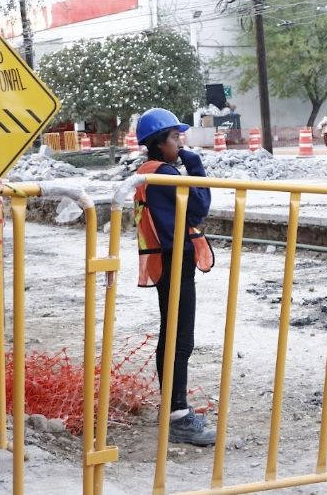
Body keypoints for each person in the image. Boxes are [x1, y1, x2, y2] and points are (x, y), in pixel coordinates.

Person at [133, 107, 216, 446]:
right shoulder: (165, 175)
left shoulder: (149, 172)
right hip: (173, 260)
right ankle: (178, 415)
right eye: (174, 137)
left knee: (173, 334)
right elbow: (200, 207)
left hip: (165, 260)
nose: (180, 141)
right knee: (180, 339)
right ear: (158, 143)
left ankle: (173, 407)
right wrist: (194, 165)